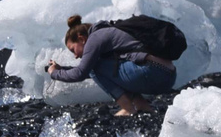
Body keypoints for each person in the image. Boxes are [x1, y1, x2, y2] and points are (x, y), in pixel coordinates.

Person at [46, 15, 177, 115]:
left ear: (81, 38)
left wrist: (54, 73)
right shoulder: (108, 31)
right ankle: (142, 106)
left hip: (151, 72)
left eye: (73, 49)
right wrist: (61, 68)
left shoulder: (95, 38)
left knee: (94, 67)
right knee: (97, 68)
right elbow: (104, 73)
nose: (75, 55)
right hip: (168, 75)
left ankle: (128, 108)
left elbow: (81, 73)